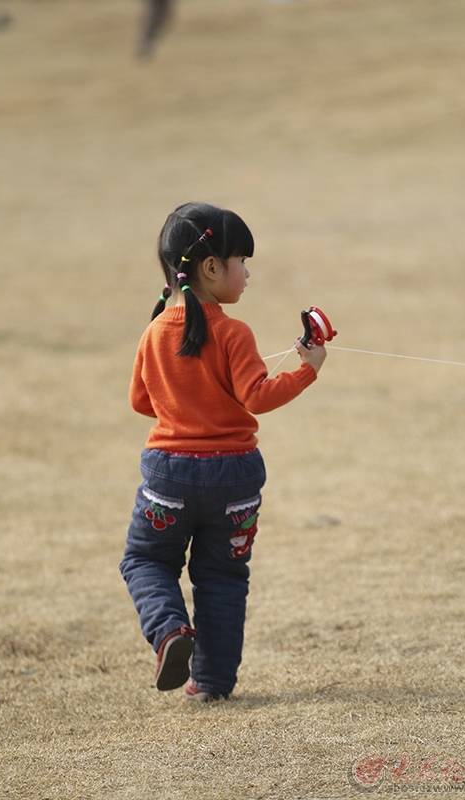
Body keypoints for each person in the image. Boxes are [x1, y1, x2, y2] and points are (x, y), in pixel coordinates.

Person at [119, 202, 327, 701]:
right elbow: (258, 396)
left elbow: (139, 401)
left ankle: (169, 629)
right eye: (242, 261)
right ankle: (211, 683)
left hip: (169, 478)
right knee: (223, 577)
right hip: (235, 478)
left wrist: (181, 403)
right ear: (211, 268)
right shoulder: (235, 333)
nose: (248, 273)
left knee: (146, 560)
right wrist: (309, 368)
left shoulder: (153, 332)